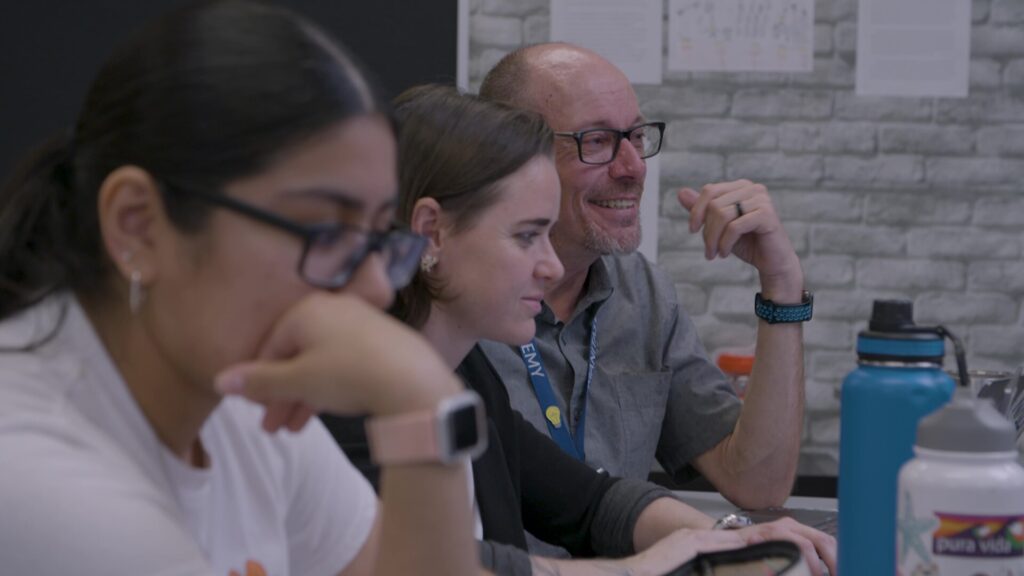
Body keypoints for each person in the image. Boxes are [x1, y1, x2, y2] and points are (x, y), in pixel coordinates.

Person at [0, 2, 485, 575]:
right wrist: (422, 398)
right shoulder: (35, 476)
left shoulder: (239, 405)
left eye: (380, 238)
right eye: (326, 231)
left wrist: (421, 405)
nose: (377, 289)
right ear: (138, 225)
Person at [326, 84, 836, 576]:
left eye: (635, 138)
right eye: (527, 236)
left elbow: (589, 502)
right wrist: (647, 566)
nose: (548, 266)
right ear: (430, 231)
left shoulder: (464, 370)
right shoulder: (340, 396)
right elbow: (434, 566)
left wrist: (725, 540)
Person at [474, 42, 809, 510]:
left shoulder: (645, 297)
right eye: (596, 141)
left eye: (635, 136)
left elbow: (758, 483)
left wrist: (782, 284)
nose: (633, 167)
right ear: (509, 155)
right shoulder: (456, 305)